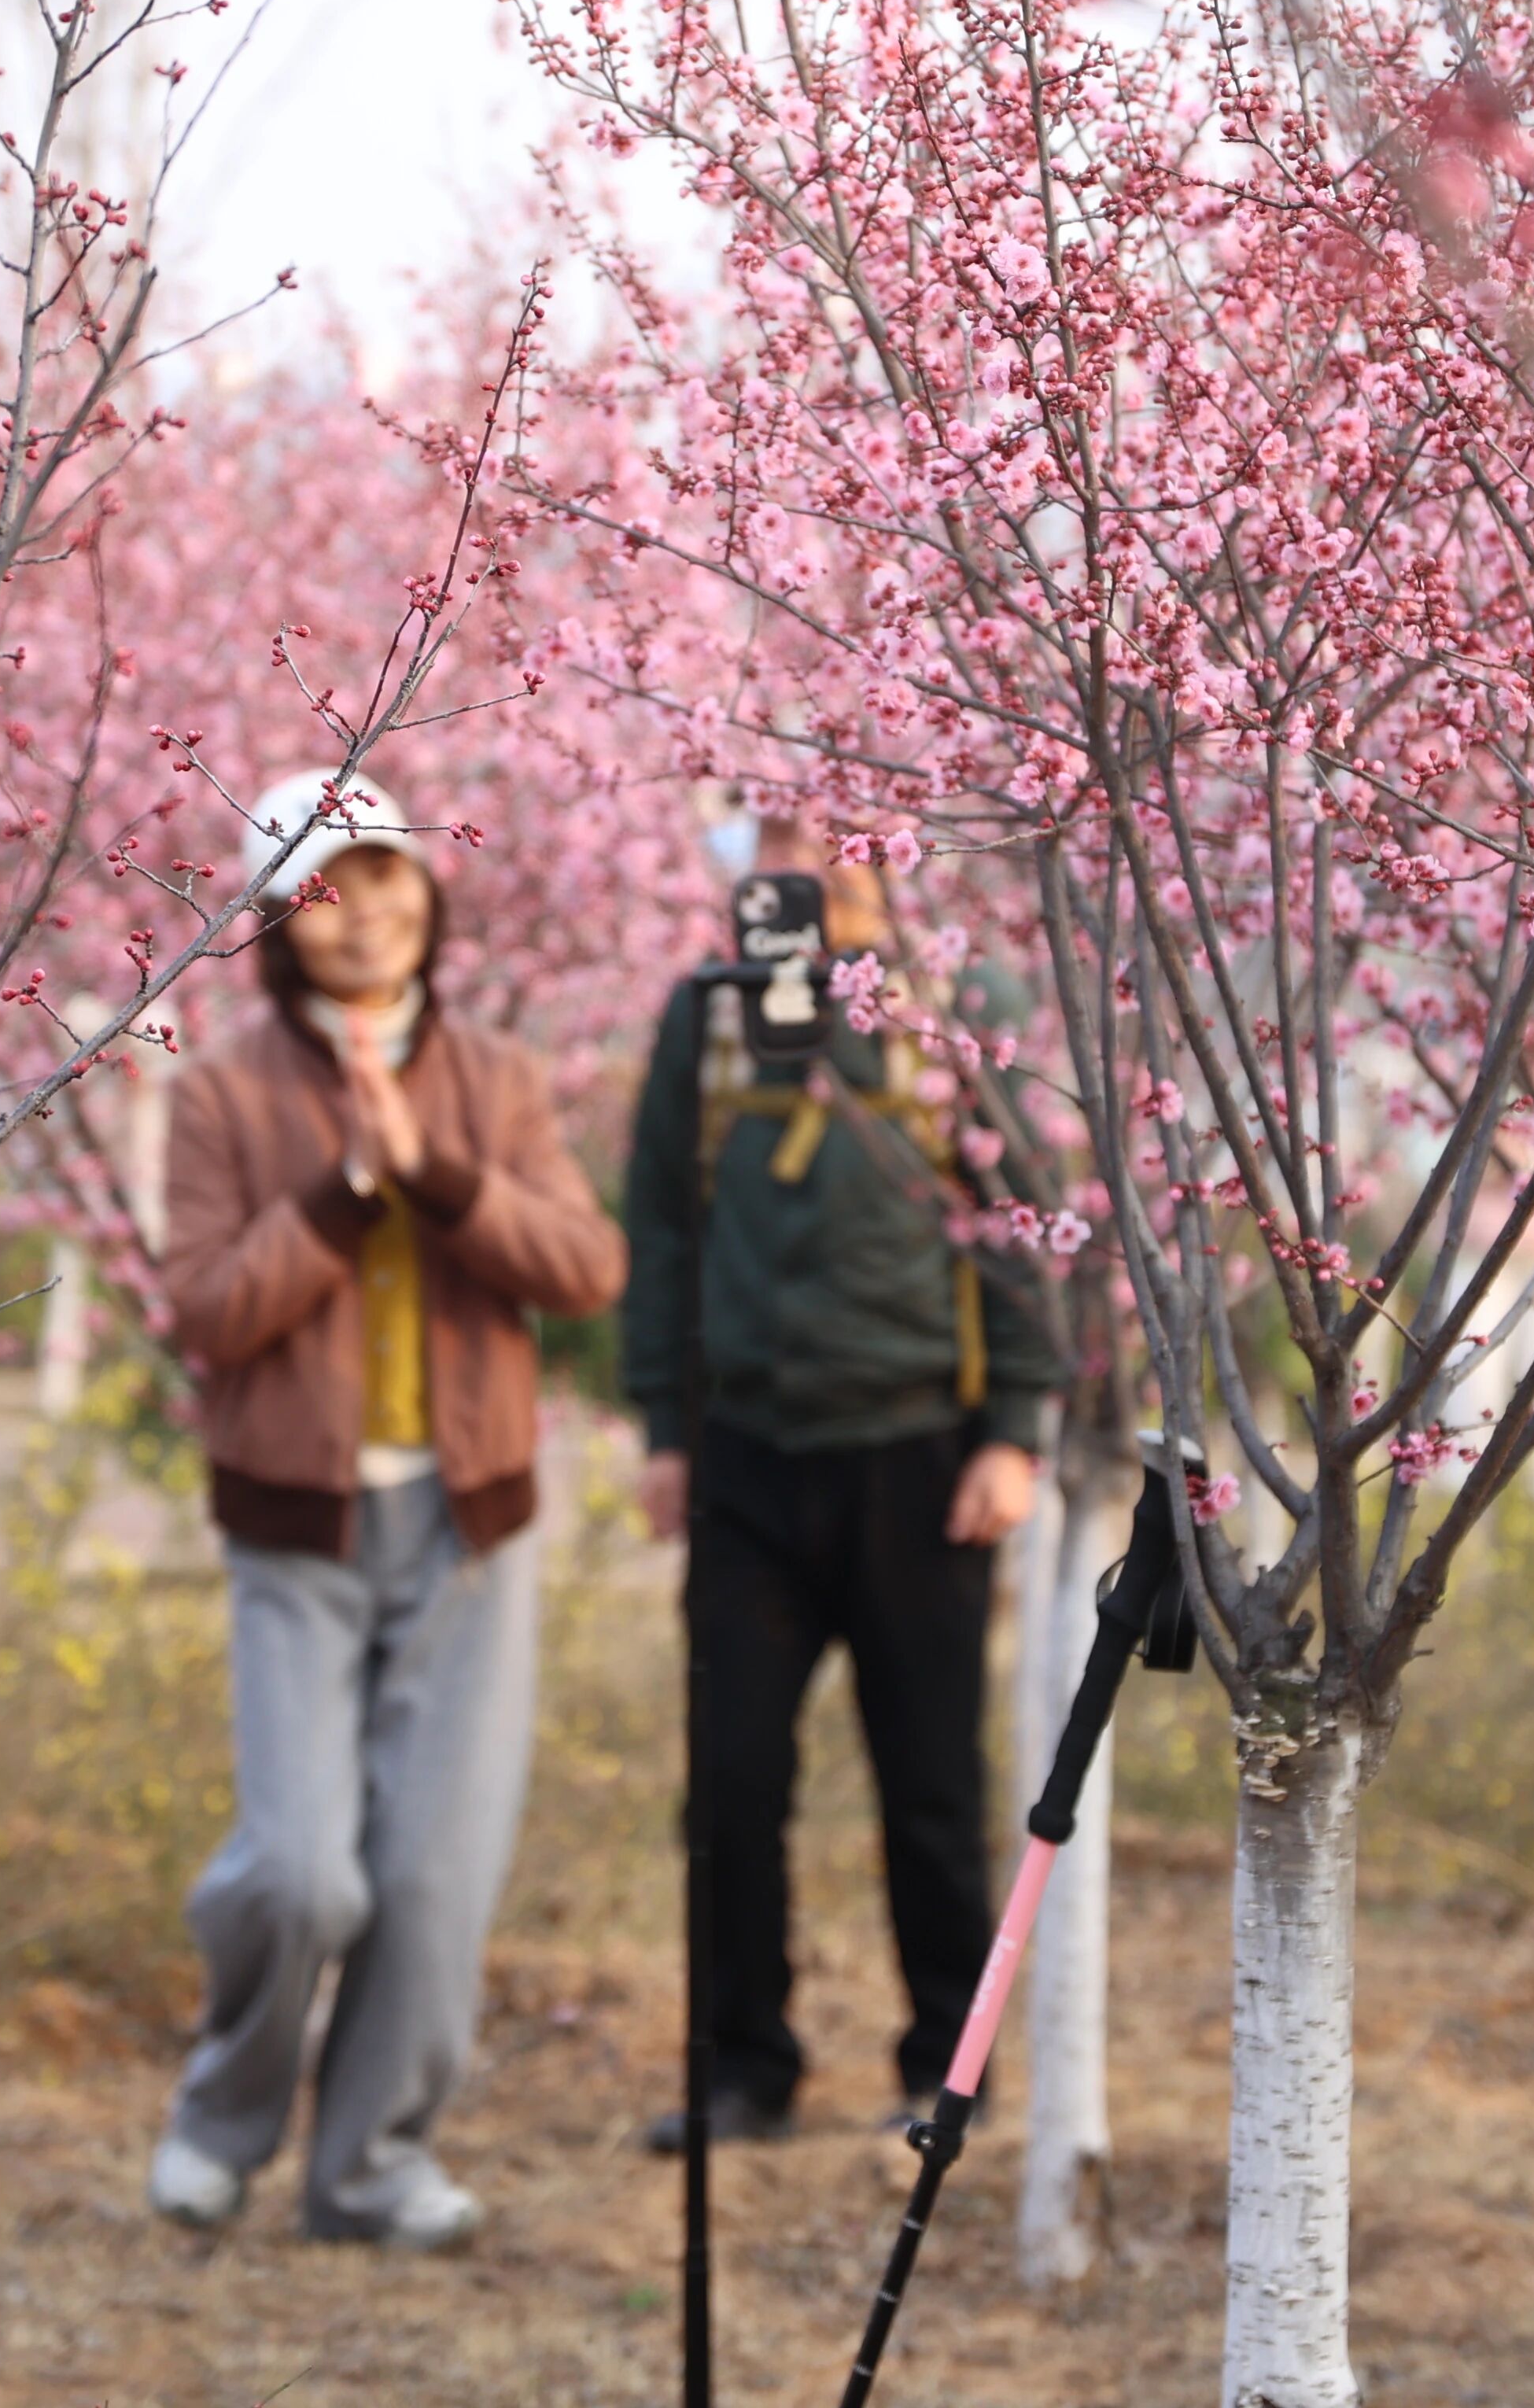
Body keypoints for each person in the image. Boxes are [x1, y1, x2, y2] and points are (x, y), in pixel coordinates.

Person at [145, 770, 627, 2249]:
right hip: (297, 1529)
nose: (367, 918)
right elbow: (209, 1312)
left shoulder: (494, 1075)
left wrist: (437, 1175)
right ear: (282, 920)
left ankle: (367, 2171)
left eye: (392, 879)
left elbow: (584, 1269)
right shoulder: (225, 1090)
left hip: (469, 1527)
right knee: (298, 1874)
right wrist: (351, 1191)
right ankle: (225, 2121)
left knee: (429, 1883)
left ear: (431, 893)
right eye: (328, 891)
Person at [621, 849, 1062, 2149]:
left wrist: (1017, 1430)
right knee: (732, 1777)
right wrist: (663, 1423)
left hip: (923, 1452)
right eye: (789, 834)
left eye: (851, 836)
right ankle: (742, 2063)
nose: (818, 866)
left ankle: (945, 2069)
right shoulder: (709, 1010)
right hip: (746, 1455)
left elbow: (1028, 1215)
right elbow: (658, 1221)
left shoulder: (958, 1002)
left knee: (929, 1784)